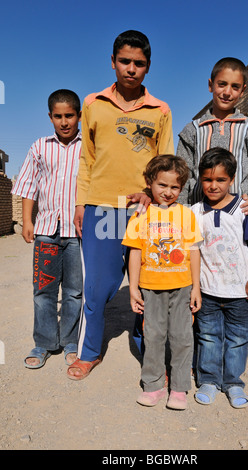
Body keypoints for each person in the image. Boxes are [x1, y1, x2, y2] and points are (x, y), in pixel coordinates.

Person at [67, 30, 174, 380]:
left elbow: (166, 162)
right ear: (113, 62)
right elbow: (87, 159)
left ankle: (153, 355)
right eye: (125, 61)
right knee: (98, 285)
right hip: (102, 208)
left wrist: (152, 196)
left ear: (148, 67)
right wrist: (83, 202)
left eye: (139, 63)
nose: (131, 69)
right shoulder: (93, 103)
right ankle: (90, 352)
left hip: (143, 211)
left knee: (149, 285)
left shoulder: (160, 110)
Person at [122, 155, 202, 410]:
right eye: (162, 185)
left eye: (175, 187)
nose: (168, 192)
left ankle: (179, 388)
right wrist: (133, 288)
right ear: (149, 182)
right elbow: (134, 252)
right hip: (151, 288)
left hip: (182, 288)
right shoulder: (140, 215)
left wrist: (196, 288)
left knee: (181, 337)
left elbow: (193, 251)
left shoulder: (186, 215)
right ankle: (153, 385)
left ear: (182, 188)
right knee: (153, 336)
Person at [11, 89, 82, 369]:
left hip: (78, 233)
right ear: (50, 117)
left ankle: (71, 341)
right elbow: (29, 186)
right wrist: (28, 221)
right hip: (46, 231)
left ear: (78, 115)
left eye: (69, 116)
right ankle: (43, 342)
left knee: (75, 291)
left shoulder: (88, 147)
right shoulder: (39, 146)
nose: (64, 122)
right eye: (58, 116)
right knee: (43, 290)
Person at [191, 147, 248, 409]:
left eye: (220, 179)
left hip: (239, 292)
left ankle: (233, 383)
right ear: (200, 179)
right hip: (208, 291)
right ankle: (208, 379)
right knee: (208, 336)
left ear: (231, 179)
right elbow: (194, 250)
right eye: (208, 179)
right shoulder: (195, 212)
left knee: (238, 338)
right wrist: (195, 287)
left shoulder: (244, 209)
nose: (213, 185)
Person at [177, 57, 248, 215]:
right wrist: (181, 211)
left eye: (235, 87)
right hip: (197, 217)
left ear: (242, 91)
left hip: (237, 218)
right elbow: (182, 177)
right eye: (222, 84)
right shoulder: (192, 130)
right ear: (210, 85)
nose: (227, 92)